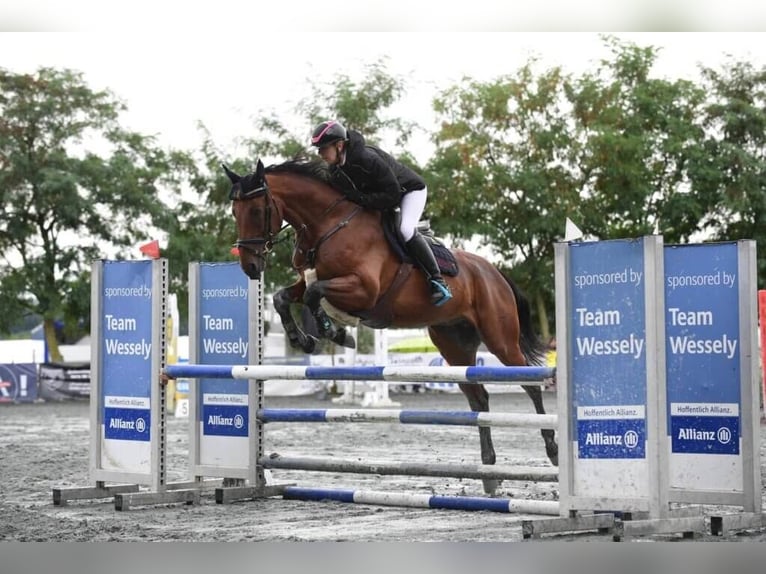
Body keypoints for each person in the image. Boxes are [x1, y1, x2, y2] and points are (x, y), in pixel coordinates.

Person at [310, 119, 452, 306]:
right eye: (318, 149)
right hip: (382, 198)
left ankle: (437, 281)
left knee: (405, 229)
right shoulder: (336, 170)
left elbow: (391, 195)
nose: (320, 153)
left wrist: (361, 199)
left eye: (323, 148)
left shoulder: (367, 159)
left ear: (339, 145)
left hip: (408, 192)